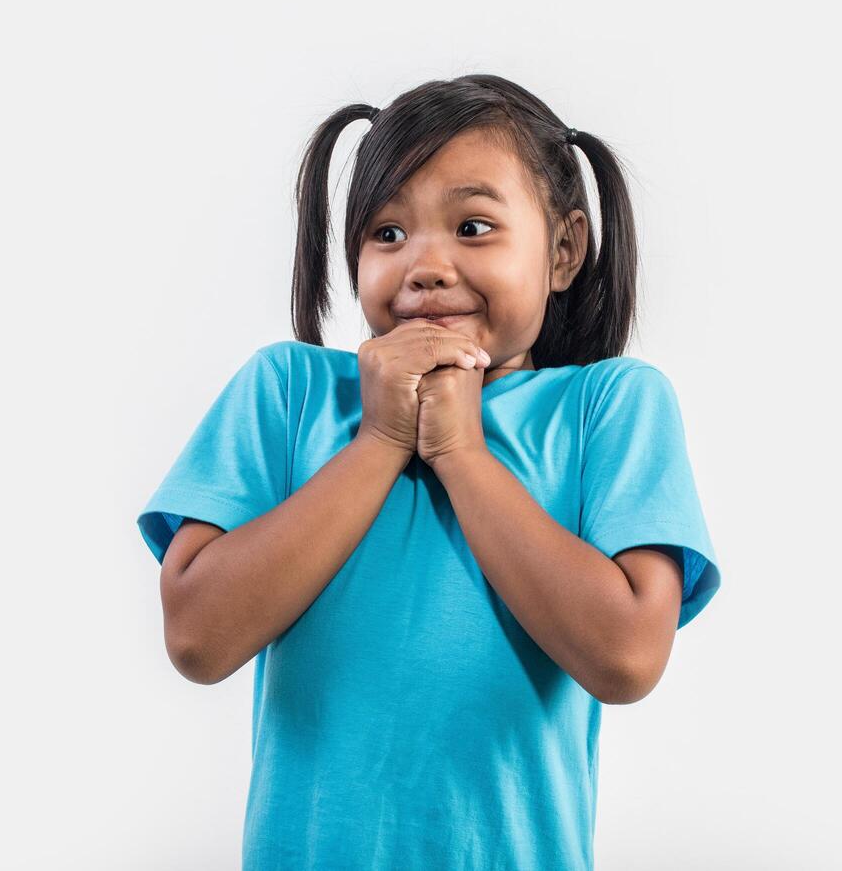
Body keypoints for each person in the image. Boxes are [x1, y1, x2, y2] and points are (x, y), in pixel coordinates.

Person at [137, 73, 723, 870]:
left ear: (562, 250)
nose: (424, 265)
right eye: (386, 234)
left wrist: (459, 452)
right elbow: (198, 638)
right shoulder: (287, 392)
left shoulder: (607, 407)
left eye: (473, 226)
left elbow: (624, 657)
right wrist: (380, 439)